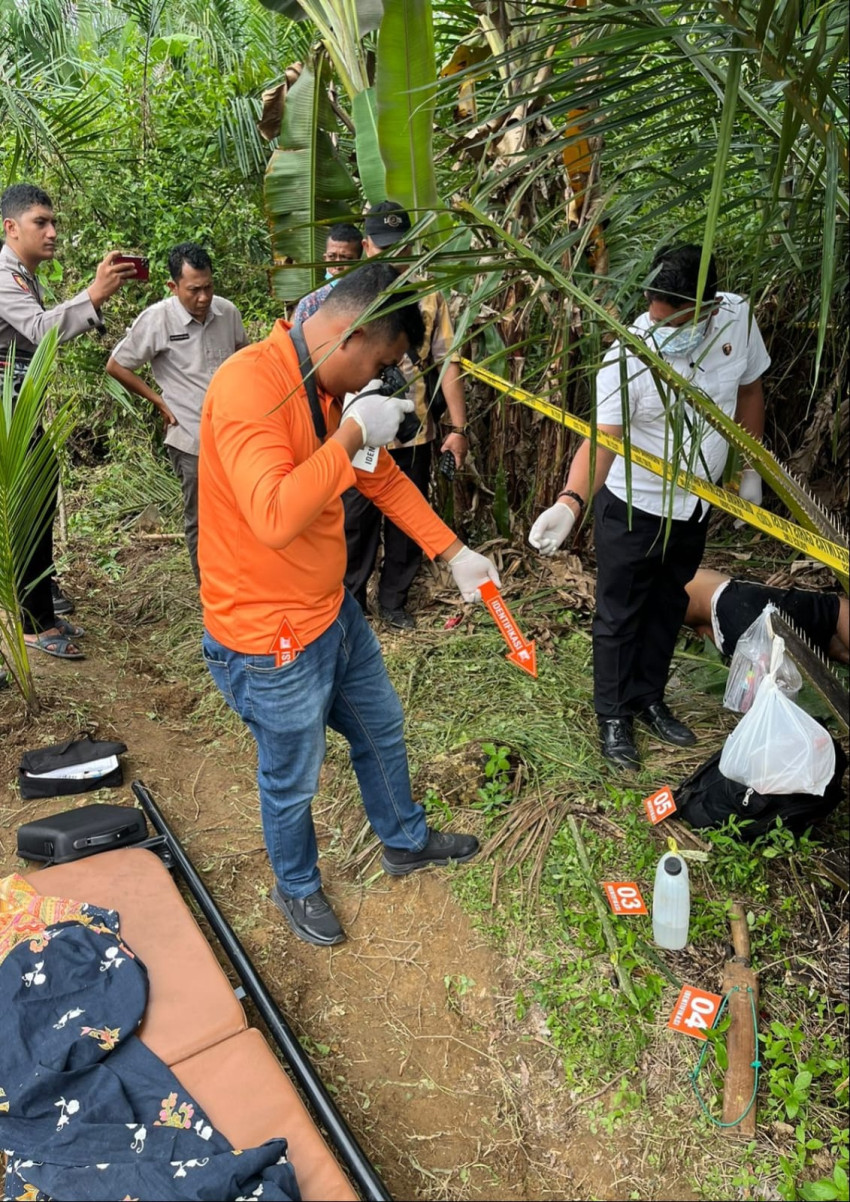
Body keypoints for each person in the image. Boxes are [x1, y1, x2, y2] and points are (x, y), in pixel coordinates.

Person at [198, 260, 501, 947]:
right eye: (384, 360)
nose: (377, 379)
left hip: (331, 612)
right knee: (292, 778)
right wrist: (351, 435)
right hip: (269, 637)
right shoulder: (252, 385)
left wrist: (455, 554)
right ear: (354, 332)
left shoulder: (330, 391)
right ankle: (297, 885)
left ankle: (404, 840)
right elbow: (274, 514)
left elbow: (382, 481)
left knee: (381, 730)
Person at [530, 244, 771, 769]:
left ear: (707, 308)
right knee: (619, 615)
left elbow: (750, 389)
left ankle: (648, 698)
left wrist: (748, 466)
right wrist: (570, 503)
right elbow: (603, 440)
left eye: (675, 320)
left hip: (695, 506)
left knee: (669, 603)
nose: (660, 326)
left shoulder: (736, 319)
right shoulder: (629, 357)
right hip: (634, 507)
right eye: (655, 314)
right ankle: (613, 717)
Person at [0, 182, 136, 659]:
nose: (53, 232)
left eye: (54, 221)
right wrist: (93, 295)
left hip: (19, 412)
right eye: (42, 222)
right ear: (10, 227)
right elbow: (39, 330)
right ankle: (33, 624)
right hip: (7, 416)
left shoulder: (22, 274)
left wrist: (91, 300)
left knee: (35, 506)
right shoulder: (3, 275)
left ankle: (38, 611)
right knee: (28, 510)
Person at [344, 200, 470, 629]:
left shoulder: (430, 293)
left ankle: (394, 603)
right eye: (383, 248)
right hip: (357, 434)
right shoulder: (349, 295)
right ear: (366, 245)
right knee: (355, 522)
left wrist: (458, 427)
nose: (394, 257)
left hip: (413, 432)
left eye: (401, 247)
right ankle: (352, 602)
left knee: (407, 520)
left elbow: (448, 360)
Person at [106, 243, 248, 584]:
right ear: (173, 287)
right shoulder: (158, 319)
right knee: (201, 519)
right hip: (191, 438)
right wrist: (159, 401)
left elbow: (245, 358)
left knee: (239, 514)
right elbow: (116, 365)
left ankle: (240, 582)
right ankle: (210, 594)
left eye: (208, 287)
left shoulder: (227, 313)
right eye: (194, 290)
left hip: (234, 436)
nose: (203, 297)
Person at [685, 568, 850, 664]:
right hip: (731, 600)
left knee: (822, 646)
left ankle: (836, 648)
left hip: (728, 640)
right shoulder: (673, 567)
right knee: (838, 608)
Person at [290, 222, 363, 324]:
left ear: (358, 262)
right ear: (325, 258)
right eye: (332, 257)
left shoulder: (369, 298)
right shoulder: (310, 303)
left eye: (346, 258)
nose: (338, 266)